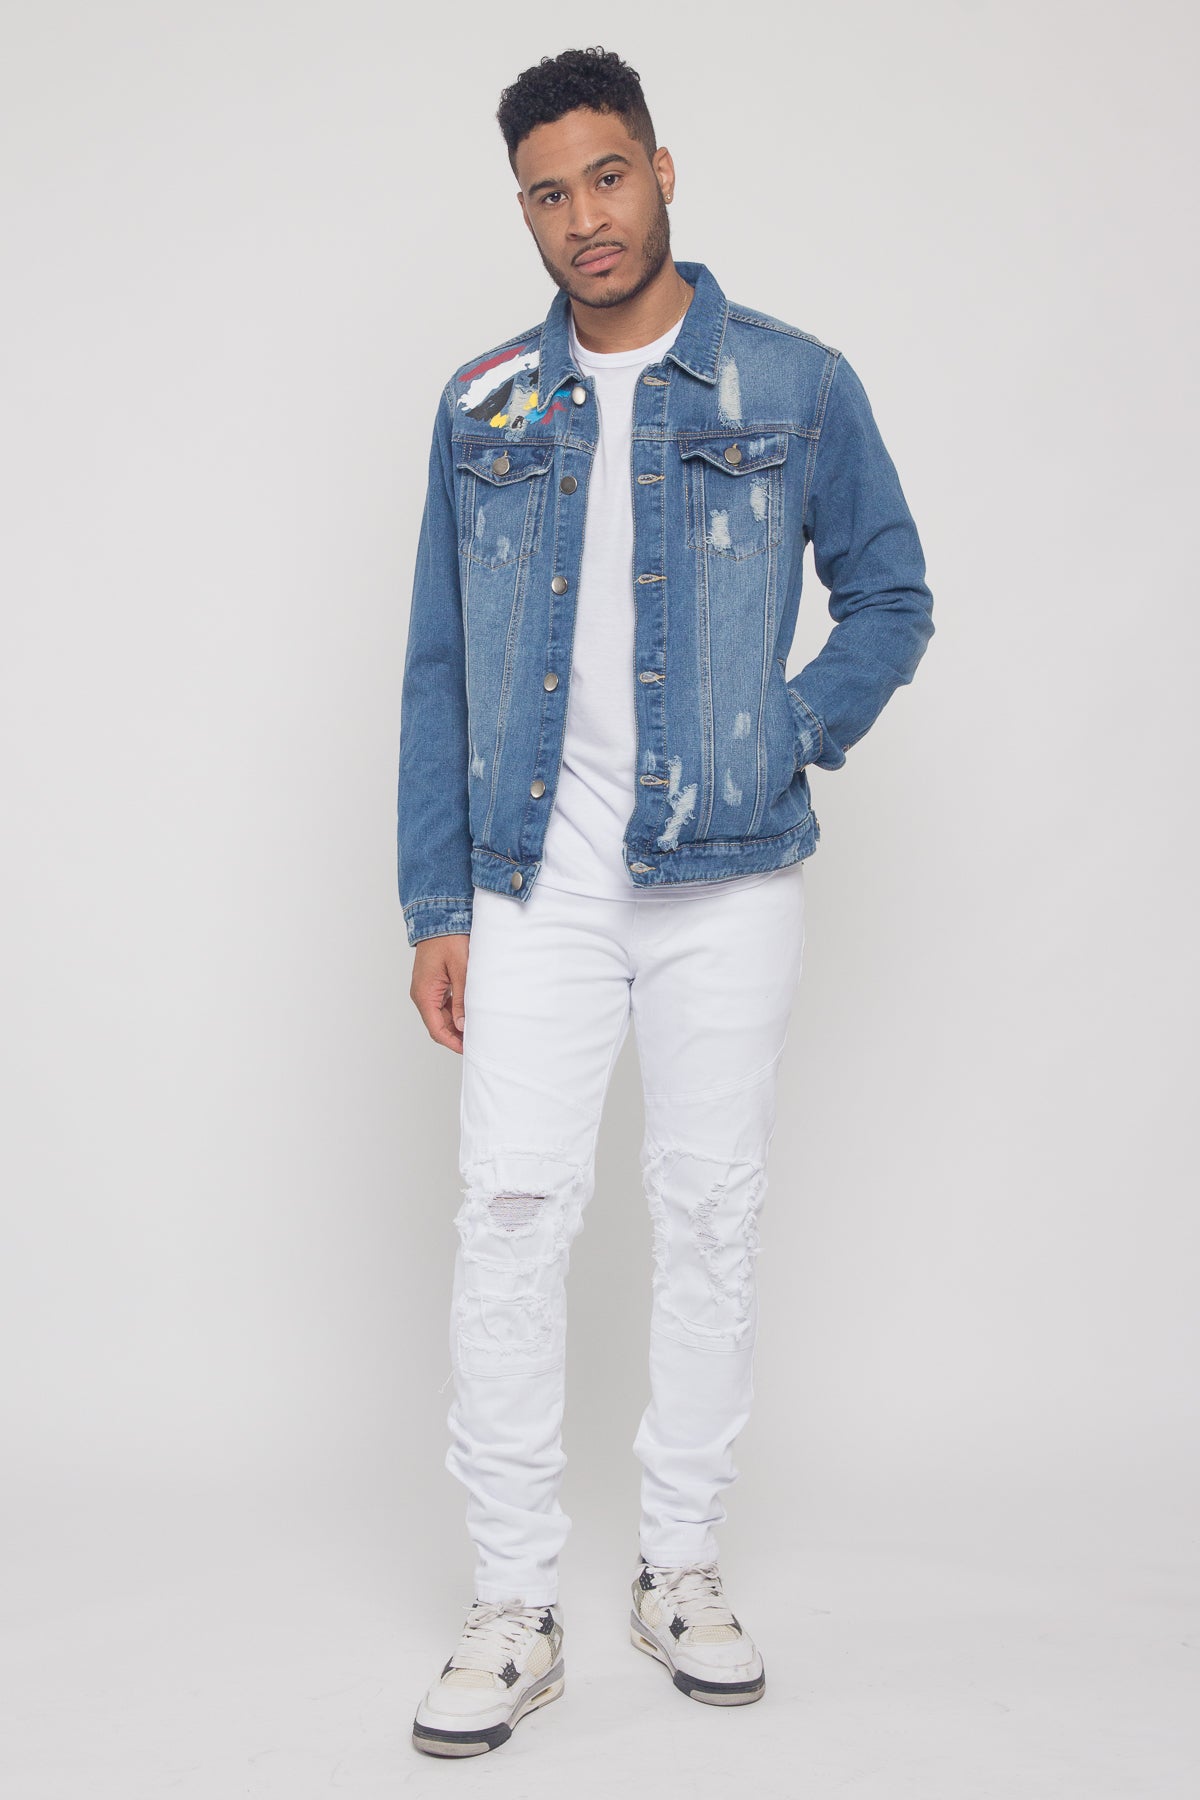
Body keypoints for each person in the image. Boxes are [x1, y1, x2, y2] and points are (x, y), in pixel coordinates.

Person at [397, 45, 934, 1758]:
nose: (585, 217)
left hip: (729, 877)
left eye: (608, 175)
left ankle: (680, 1566)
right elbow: (437, 667)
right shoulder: (484, 404)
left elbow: (891, 593)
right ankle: (513, 1602)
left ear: (664, 169)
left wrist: (791, 728)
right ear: (526, 212)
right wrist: (435, 900)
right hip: (531, 881)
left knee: (709, 1214)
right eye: (548, 193)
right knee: (508, 1215)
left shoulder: (795, 379)